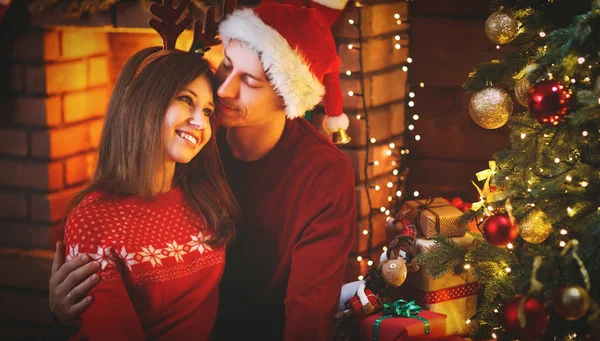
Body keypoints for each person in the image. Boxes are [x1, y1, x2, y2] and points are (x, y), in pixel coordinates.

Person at [49, 0, 356, 339]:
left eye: (250, 81)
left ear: (287, 100)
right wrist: (75, 306)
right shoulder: (191, 143)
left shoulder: (322, 174)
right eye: (226, 65)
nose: (224, 90)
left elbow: (308, 315)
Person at [57, 25, 241, 340]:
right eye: (186, 99)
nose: (201, 122)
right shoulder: (93, 220)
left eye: (208, 111)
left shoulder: (208, 198)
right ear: (143, 103)